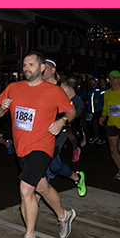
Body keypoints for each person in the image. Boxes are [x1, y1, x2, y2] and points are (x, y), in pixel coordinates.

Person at [0, 51, 77, 238]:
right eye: (24, 65)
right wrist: (1, 108)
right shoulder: (13, 88)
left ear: (41, 68)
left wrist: (61, 122)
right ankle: (64, 215)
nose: (26, 68)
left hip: (42, 147)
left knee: (25, 189)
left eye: (31, 64)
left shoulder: (53, 91)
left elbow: (72, 111)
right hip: (22, 149)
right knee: (41, 187)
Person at [42, 61, 86, 197]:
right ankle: (77, 178)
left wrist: (66, 120)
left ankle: (32, 201)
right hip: (43, 129)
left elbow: (79, 106)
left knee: (45, 161)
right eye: (41, 68)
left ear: (53, 70)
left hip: (60, 130)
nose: (42, 70)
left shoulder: (65, 89)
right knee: (54, 166)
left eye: (45, 68)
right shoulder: (39, 86)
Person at [99, 70, 120, 180]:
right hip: (112, 124)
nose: (111, 80)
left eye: (114, 78)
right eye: (110, 78)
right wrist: (103, 116)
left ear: (119, 79)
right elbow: (106, 107)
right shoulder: (107, 93)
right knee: (113, 149)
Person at [86, 76, 106, 145]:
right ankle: (93, 136)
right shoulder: (90, 89)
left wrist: (100, 100)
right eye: (90, 80)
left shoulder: (100, 89)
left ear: (96, 82)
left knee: (100, 124)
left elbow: (105, 99)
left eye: (93, 80)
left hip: (98, 109)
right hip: (90, 110)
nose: (91, 82)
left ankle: (102, 138)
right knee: (88, 122)